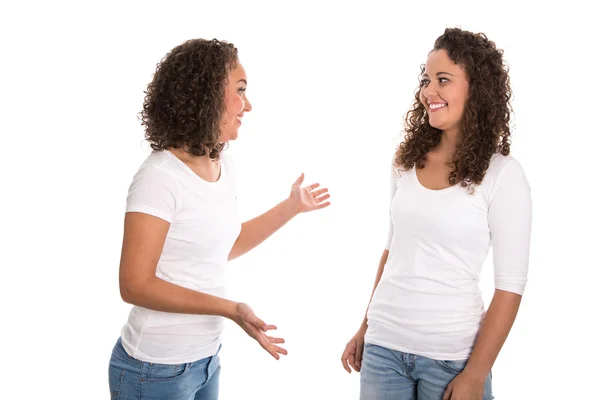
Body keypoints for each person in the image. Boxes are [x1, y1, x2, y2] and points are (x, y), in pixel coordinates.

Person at [108, 38, 330, 400]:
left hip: (205, 361)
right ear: (206, 95)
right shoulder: (159, 177)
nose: (249, 105)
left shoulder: (221, 163)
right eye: (240, 91)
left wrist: (291, 207)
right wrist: (229, 309)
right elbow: (134, 284)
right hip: (154, 370)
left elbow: (223, 246)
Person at [341, 27, 532, 400]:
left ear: (476, 89)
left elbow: (510, 285)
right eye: (427, 80)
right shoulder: (405, 161)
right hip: (383, 350)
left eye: (443, 80)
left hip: (452, 359)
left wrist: (476, 373)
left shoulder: (502, 175)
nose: (429, 91)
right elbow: (393, 250)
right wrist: (365, 328)